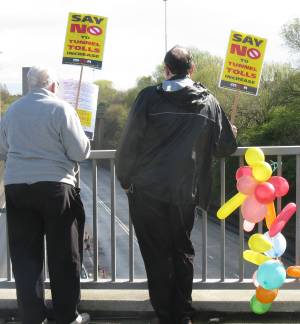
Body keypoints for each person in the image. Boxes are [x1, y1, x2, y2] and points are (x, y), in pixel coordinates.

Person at [115, 46, 237, 324]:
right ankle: (182, 313)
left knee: (155, 252)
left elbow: (129, 141)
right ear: (192, 70)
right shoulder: (209, 102)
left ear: (166, 70)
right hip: (186, 191)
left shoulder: (148, 97)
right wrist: (231, 129)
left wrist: (125, 178)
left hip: (146, 190)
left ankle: (164, 312)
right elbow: (226, 147)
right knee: (182, 250)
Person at [0, 66, 91, 324]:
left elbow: (2, 146)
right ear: (52, 86)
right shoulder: (61, 108)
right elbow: (80, 152)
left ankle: (31, 316)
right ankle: (66, 316)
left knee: (25, 257)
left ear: (30, 86)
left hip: (18, 186)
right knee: (64, 255)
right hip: (55, 188)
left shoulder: (13, 111)